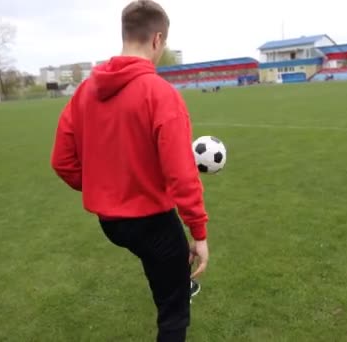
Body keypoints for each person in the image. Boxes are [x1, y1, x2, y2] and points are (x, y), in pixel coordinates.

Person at [50, 1, 209, 341]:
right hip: (151, 220)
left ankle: (173, 281)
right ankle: (175, 287)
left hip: (112, 223)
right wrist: (198, 231)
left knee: (164, 271)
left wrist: (104, 187)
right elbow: (181, 174)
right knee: (174, 312)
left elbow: (62, 161)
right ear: (157, 39)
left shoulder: (84, 93)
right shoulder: (161, 94)